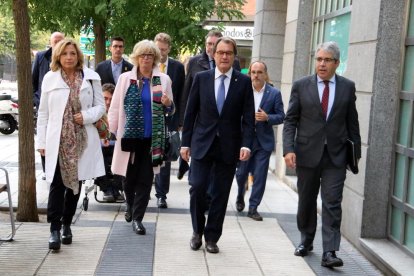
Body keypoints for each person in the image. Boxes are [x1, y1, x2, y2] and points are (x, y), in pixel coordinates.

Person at [283, 41, 361, 268]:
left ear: (337, 63)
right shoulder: (301, 85)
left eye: (327, 60)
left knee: (332, 202)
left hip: (336, 156)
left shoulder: (347, 87)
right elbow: (290, 120)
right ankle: (306, 240)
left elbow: (352, 122)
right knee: (306, 201)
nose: (322, 64)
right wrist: (288, 149)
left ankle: (330, 251)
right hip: (307, 153)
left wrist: (354, 153)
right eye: (319, 59)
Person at [181, 37, 255, 254]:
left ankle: (212, 237)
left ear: (234, 57)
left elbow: (249, 118)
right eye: (220, 52)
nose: (224, 56)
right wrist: (185, 143)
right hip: (202, 144)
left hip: (229, 147)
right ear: (213, 54)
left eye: (228, 53)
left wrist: (247, 145)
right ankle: (197, 231)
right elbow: (190, 113)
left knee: (221, 193)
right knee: (197, 187)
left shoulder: (243, 82)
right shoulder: (202, 78)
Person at [36, 38, 106, 251]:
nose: (69, 57)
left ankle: (67, 224)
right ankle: (54, 229)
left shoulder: (91, 77)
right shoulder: (50, 78)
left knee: (74, 186)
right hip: (56, 140)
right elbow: (43, 113)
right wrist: (41, 142)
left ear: (78, 56)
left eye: (72, 53)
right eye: (65, 53)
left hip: (81, 140)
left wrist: (84, 116)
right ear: (58, 55)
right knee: (57, 183)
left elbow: (100, 107)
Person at [108, 40, 175, 235]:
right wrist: (111, 131)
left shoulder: (163, 80)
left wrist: (168, 103)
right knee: (129, 178)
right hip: (129, 136)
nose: (146, 59)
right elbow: (115, 106)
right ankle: (129, 204)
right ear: (136, 58)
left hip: (152, 139)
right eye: (143, 55)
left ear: (155, 58)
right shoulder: (125, 79)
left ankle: (138, 218)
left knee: (146, 180)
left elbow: (170, 110)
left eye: (150, 55)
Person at [235, 61, 285, 221]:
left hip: (263, 142)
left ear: (265, 74)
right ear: (249, 73)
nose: (256, 75)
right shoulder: (243, 90)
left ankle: (253, 207)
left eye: (259, 72)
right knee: (241, 173)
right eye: (253, 72)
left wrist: (267, 117)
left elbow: (281, 116)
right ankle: (240, 195)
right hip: (245, 140)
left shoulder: (274, 93)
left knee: (260, 175)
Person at [179, 29, 240, 127]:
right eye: (209, 44)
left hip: (226, 120)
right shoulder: (194, 62)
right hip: (201, 119)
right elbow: (187, 92)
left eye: (214, 44)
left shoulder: (233, 62)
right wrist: (182, 121)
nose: (211, 47)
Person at [153, 32, 185, 209]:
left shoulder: (178, 68)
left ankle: (161, 194)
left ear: (169, 49)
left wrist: (179, 119)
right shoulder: (148, 65)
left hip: (169, 118)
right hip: (151, 120)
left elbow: (180, 95)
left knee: (164, 158)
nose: (162, 53)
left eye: (164, 50)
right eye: (159, 49)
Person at [32, 31, 65, 180]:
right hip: (44, 105)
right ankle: (46, 170)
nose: (57, 43)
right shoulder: (41, 56)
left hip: (60, 106)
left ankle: (60, 167)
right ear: (50, 42)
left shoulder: (67, 59)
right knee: (44, 137)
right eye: (55, 40)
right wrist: (37, 100)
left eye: (60, 40)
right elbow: (33, 81)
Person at [93, 83, 123, 202]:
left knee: (122, 156)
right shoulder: (95, 113)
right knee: (100, 158)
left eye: (111, 99)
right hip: (99, 148)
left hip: (116, 147)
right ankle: (107, 189)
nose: (108, 102)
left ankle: (116, 188)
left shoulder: (120, 114)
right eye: (105, 98)